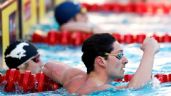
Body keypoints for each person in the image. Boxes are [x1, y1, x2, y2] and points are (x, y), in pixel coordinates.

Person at [42, 33, 160, 95]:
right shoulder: (103, 89)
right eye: (119, 55)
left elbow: (48, 66)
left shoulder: (74, 78)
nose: (125, 60)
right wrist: (149, 51)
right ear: (100, 61)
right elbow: (136, 89)